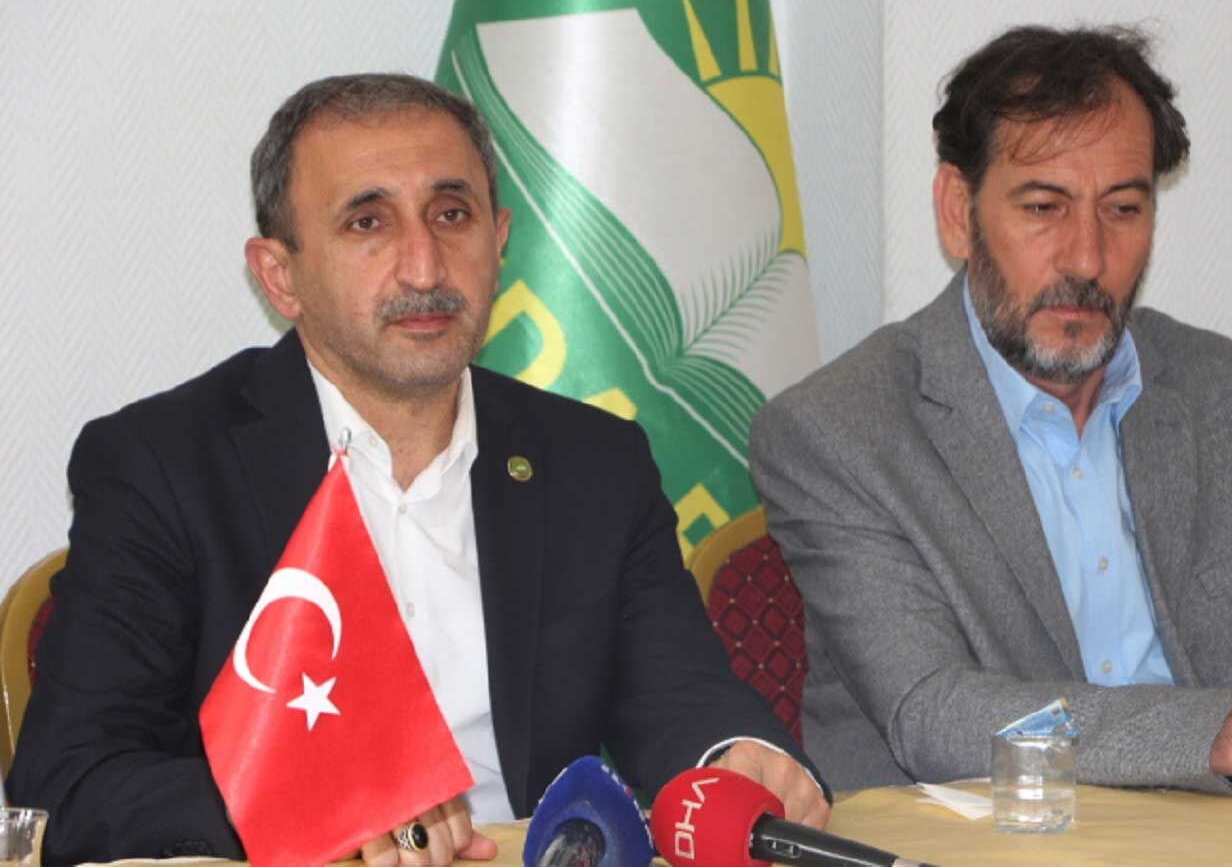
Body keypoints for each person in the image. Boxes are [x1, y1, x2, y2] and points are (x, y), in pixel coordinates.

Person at [10, 73, 828, 867]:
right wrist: (319, 800)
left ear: (499, 241)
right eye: (368, 223)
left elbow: (680, 694)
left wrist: (736, 754)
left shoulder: (593, 462)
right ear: (280, 277)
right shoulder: (165, 464)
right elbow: (68, 781)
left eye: (451, 214)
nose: (425, 268)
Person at [749, 25, 1232, 796]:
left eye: (1122, 209)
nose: (1086, 258)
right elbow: (934, 715)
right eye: (1044, 207)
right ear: (957, 211)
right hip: (974, 840)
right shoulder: (842, 431)